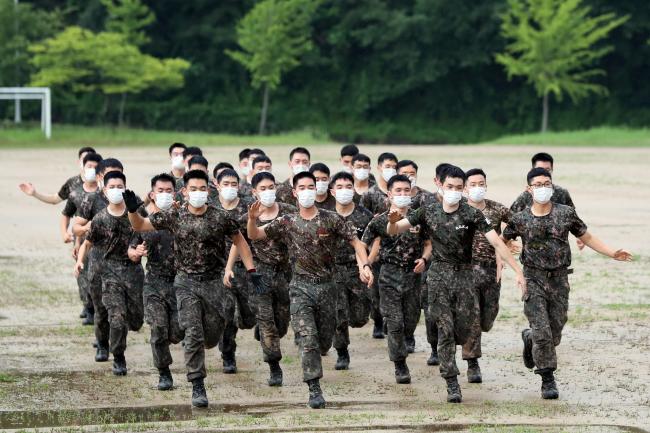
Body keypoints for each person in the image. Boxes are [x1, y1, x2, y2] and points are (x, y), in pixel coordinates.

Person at [124, 169, 263, 408]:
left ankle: (210, 345)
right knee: (193, 334)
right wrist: (132, 209)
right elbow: (140, 225)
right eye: (193, 189)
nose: (198, 193)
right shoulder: (174, 216)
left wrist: (251, 271)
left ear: (208, 191)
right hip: (186, 282)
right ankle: (197, 384)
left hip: (213, 283)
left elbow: (240, 241)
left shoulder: (220, 217)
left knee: (211, 334)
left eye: (202, 189)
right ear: (185, 191)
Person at [387, 165, 526, 404]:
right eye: (449, 187)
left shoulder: (471, 214)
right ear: (440, 185)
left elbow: (496, 242)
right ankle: (452, 382)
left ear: (463, 189)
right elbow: (395, 229)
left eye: (459, 188)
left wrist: (517, 270)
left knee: (467, 328)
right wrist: (391, 222)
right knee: (445, 331)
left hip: (464, 277)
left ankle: (468, 359)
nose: (454, 191)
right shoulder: (427, 211)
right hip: (439, 277)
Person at [246, 171, 374, 409]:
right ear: (294, 193)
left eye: (310, 187)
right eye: (301, 187)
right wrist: (252, 219)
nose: (306, 191)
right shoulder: (287, 222)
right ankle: (314, 389)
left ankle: (324, 357)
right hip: (300, 288)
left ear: (316, 190)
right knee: (308, 339)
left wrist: (364, 265)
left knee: (324, 339)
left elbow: (356, 242)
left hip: (327, 288)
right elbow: (255, 235)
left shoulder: (331, 219)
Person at [503, 167, 632, 400]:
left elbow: (587, 237)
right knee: (543, 332)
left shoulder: (565, 213)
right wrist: (510, 265)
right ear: (529, 189)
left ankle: (529, 338)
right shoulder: (520, 218)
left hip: (560, 279)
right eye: (538, 185)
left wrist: (612, 253)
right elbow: (502, 241)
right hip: (533, 278)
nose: (543, 188)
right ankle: (547, 378)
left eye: (547, 184)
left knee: (555, 333)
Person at [225, 171, 296, 386]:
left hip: (285, 273)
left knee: (282, 323)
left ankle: (267, 335)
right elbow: (238, 243)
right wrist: (228, 268)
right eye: (263, 189)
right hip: (259, 274)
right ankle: (274, 367)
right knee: (267, 324)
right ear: (254, 192)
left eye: (271, 187)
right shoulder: (248, 216)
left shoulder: (288, 212)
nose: (268, 192)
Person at [74, 171, 144, 376]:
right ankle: (117, 356)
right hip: (109, 272)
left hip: (133, 273)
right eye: (112, 187)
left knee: (136, 319)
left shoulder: (136, 213)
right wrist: (79, 261)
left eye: (120, 186)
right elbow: (88, 242)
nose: (116, 191)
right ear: (104, 190)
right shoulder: (100, 218)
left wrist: (140, 249)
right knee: (115, 316)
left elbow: (149, 231)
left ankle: (117, 343)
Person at [362, 174, 431, 384]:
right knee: (395, 323)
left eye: (406, 191)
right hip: (389, 275)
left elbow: (429, 244)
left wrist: (424, 259)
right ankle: (400, 364)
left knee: (410, 321)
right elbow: (363, 245)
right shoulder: (379, 220)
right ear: (389, 194)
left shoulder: (419, 218)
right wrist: (365, 266)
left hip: (413, 276)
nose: (402, 195)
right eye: (398, 191)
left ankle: (403, 341)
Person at [131, 173, 184, 391]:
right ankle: (164, 372)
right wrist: (136, 252)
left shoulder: (184, 218)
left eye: (168, 191)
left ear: (176, 193)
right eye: (160, 191)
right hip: (154, 282)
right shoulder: (145, 221)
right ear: (152, 194)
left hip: (181, 283)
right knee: (158, 328)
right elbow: (131, 250)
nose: (164, 195)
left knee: (178, 330)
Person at [461, 168, 512, 383]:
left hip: (492, 269)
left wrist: (507, 245)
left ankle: (476, 332)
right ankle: (473, 364)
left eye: (481, 183)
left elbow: (518, 224)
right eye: (473, 184)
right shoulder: (458, 210)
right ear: (465, 188)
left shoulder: (497, 209)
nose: (477, 188)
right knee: (472, 317)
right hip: (467, 270)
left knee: (487, 319)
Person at [329, 171, 373, 370]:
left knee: (359, 316)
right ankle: (342, 352)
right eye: (339, 187)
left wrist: (367, 264)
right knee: (339, 314)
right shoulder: (327, 216)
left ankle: (360, 319)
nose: (344, 191)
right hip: (334, 270)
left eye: (348, 186)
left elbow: (375, 241)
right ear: (332, 191)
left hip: (358, 270)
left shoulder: (365, 215)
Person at [214, 169, 256, 374]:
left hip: (246, 268)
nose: (230, 187)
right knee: (227, 312)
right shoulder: (210, 208)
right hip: (220, 270)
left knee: (249, 316)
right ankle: (228, 354)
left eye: (234, 184)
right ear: (217, 185)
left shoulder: (247, 208)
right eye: (226, 183)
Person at [396, 159, 436, 354]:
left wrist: (426, 257)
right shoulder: (390, 202)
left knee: (417, 304)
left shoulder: (427, 199)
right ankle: (400, 336)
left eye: (412, 172)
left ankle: (410, 334)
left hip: (422, 261)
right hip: (393, 264)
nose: (409, 176)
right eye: (404, 172)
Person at [62, 152, 102, 325]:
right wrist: (74, 241)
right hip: (85, 241)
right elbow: (71, 219)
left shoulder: (106, 193)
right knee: (85, 276)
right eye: (89, 166)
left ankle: (96, 309)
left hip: (104, 245)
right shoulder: (76, 191)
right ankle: (90, 308)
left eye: (95, 167)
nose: (91, 170)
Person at [361, 152, 398, 339]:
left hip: (395, 251)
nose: (390, 170)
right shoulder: (370, 194)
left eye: (393, 166)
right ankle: (377, 320)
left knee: (391, 293)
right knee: (375, 293)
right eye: (387, 166)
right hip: (375, 251)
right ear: (379, 168)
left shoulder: (400, 193)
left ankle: (390, 323)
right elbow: (364, 223)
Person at [19, 146, 95, 209]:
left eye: (91, 159)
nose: (87, 162)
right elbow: (55, 199)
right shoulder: (73, 183)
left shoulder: (104, 181)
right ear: (79, 162)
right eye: (84, 159)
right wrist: (35, 193)